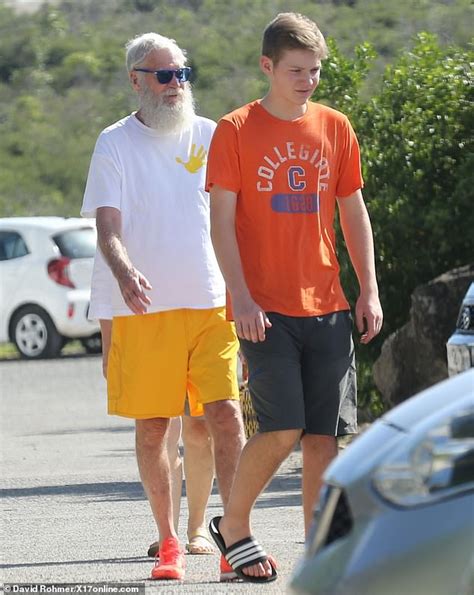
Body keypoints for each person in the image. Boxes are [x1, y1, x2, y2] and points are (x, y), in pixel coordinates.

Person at [206, 12, 383, 583]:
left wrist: (368, 290)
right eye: (296, 70)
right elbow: (221, 224)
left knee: (323, 436)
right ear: (267, 66)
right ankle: (233, 527)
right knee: (281, 428)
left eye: (315, 70)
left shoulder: (335, 126)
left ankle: (320, 553)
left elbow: (353, 211)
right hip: (264, 307)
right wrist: (241, 297)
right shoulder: (234, 130)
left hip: (328, 303)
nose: (308, 80)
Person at [81, 32, 246, 582]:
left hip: (211, 301)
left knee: (224, 416)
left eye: (182, 73)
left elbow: (239, 223)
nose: (177, 84)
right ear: (136, 80)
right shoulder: (114, 143)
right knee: (154, 427)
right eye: (164, 75)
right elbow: (107, 226)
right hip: (145, 310)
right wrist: (124, 272)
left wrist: (248, 295)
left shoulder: (214, 135)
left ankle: (236, 539)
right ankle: (170, 542)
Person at [89, 251, 216, 557]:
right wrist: (109, 341)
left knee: (200, 428)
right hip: (147, 321)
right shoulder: (125, 203)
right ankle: (167, 532)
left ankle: (197, 528)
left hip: (203, 311)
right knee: (160, 430)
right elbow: (105, 269)